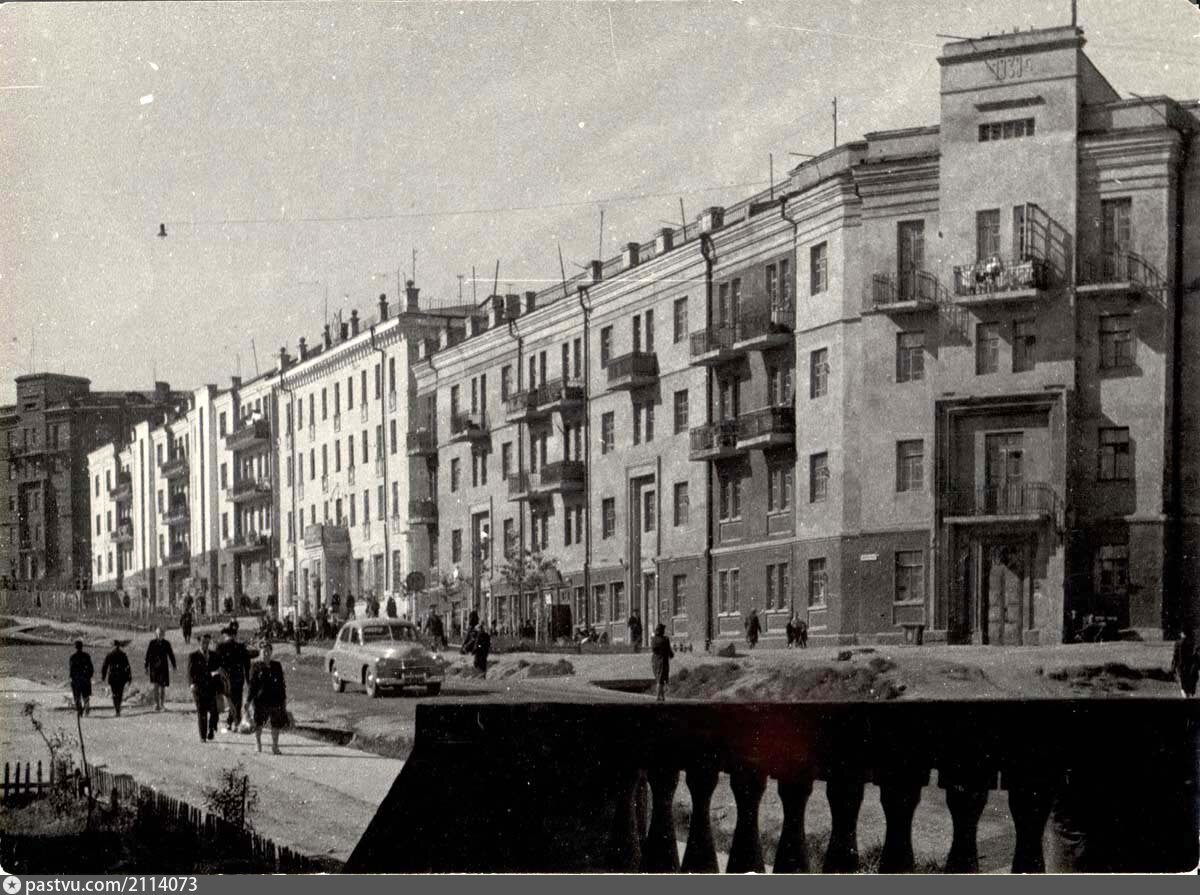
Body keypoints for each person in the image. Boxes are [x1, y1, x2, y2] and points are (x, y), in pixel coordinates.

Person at [248, 641, 288, 755]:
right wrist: (248, 701)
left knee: (276, 724)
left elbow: (281, 684)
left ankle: (275, 745)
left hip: (275, 699)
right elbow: (252, 685)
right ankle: (258, 743)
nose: (266, 653)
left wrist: (284, 699)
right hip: (260, 700)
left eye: (268, 651)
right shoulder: (255, 666)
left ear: (271, 652)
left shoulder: (277, 665)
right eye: (264, 651)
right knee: (258, 723)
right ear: (260, 652)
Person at [214, 627, 254, 731]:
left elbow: (216, 663)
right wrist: (248, 679)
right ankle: (231, 721)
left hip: (226, 678)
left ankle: (235, 722)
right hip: (239, 677)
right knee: (237, 700)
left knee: (231, 700)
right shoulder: (241, 646)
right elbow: (247, 664)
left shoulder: (220, 646)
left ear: (225, 635)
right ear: (234, 635)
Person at [187, 633, 221, 743]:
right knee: (202, 712)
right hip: (199, 688)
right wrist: (191, 684)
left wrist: (217, 678)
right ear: (199, 643)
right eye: (203, 642)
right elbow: (190, 672)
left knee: (214, 712)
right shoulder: (193, 656)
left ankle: (211, 728)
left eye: (207, 642)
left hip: (211, 687)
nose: (205, 644)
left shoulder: (214, 655)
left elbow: (218, 670)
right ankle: (203, 736)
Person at [143, 627, 177, 712]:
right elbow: (147, 655)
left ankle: (162, 704)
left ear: (164, 635)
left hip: (163, 668)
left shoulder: (166, 643)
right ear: (156, 634)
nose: (160, 635)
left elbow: (171, 654)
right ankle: (156, 704)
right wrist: (146, 667)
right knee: (155, 687)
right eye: (158, 634)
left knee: (162, 687)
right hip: (154, 668)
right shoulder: (152, 643)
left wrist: (174, 665)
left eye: (161, 634)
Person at [101, 639, 132, 717]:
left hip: (113, 677)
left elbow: (105, 666)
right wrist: (129, 677)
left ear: (113, 646)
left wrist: (103, 676)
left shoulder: (110, 654)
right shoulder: (123, 654)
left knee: (114, 693)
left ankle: (117, 709)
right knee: (120, 693)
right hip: (121, 677)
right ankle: (118, 709)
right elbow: (127, 666)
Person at [1170, 628, 1199, 698]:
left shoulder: (1178, 643)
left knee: (1183, 684)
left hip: (1181, 666)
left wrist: (1173, 667)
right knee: (1191, 683)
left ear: (1182, 634)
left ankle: (1186, 695)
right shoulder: (1193, 643)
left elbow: (1175, 656)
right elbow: (1196, 655)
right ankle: (1190, 694)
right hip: (1191, 666)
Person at [69, 640, 94, 716]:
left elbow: (71, 670)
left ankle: (80, 711)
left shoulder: (73, 657)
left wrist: (72, 678)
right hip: (85, 679)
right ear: (82, 647)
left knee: (77, 696)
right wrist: (89, 676)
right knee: (86, 696)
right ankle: (87, 709)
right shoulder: (86, 656)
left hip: (76, 680)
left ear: (75, 647)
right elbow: (91, 668)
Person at [651, 624, 674, 702]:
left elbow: (653, 649)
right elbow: (669, 651)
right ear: (662, 631)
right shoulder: (665, 639)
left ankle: (662, 696)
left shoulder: (653, 639)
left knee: (659, 678)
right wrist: (670, 655)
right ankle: (658, 697)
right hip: (663, 661)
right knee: (661, 679)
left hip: (655, 661)